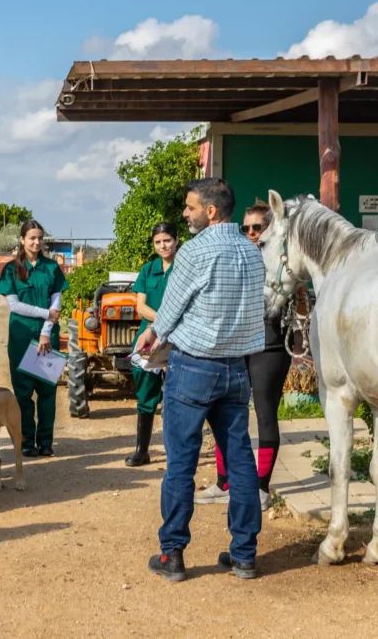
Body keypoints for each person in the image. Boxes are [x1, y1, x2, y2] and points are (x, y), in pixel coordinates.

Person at [136, 177, 265, 582]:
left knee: (181, 462)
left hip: (193, 368)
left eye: (190, 207)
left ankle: (172, 554)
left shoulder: (193, 252)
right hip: (236, 369)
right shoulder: (252, 252)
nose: (185, 214)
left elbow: (170, 309)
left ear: (211, 211)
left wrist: (151, 335)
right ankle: (244, 555)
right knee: (241, 462)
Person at [196, 201, 293, 510]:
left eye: (257, 227)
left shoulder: (280, 260)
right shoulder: (236, 255)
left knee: (265, 416)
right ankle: (225, 483)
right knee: (224, 416)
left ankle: (261, 489)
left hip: (269, 346)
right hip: (236, 346)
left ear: (269, 228)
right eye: (246, 227)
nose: (251, 233)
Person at [0, 219, 69, 457]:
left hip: (48, 338)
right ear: (22, 240)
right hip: (21, 337)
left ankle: (46, 441)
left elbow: (56, 304)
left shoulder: (52, 267)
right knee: (23, 394)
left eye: (40, 238)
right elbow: (14, 306)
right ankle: (26, 441)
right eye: (32, 238)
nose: (37, 242)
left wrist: (46, 331)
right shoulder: (11, 269)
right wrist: (45, 313)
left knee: (47, 392)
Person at [124, 222, 179, 468]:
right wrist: (162, 321)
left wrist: (167, 324)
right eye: (158, 242)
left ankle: (176, 453)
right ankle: (141, 450)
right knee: (145, 392)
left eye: (167, 240)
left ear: (176, 240)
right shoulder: (148, 270)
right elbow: (141, 306)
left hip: (178, 337)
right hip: (149, 337)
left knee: (177, 395)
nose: (163, 245)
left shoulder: (184, 268)